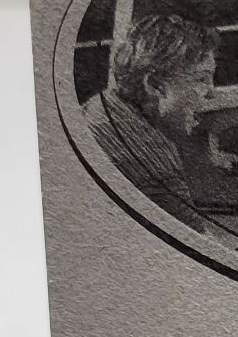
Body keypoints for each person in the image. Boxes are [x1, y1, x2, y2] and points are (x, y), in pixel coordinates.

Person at [82, 13, 220, 233]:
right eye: (201, 79)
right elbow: (197, 247)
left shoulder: (98, 106)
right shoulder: (155, 166)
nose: (211, 93)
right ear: (155, 86)